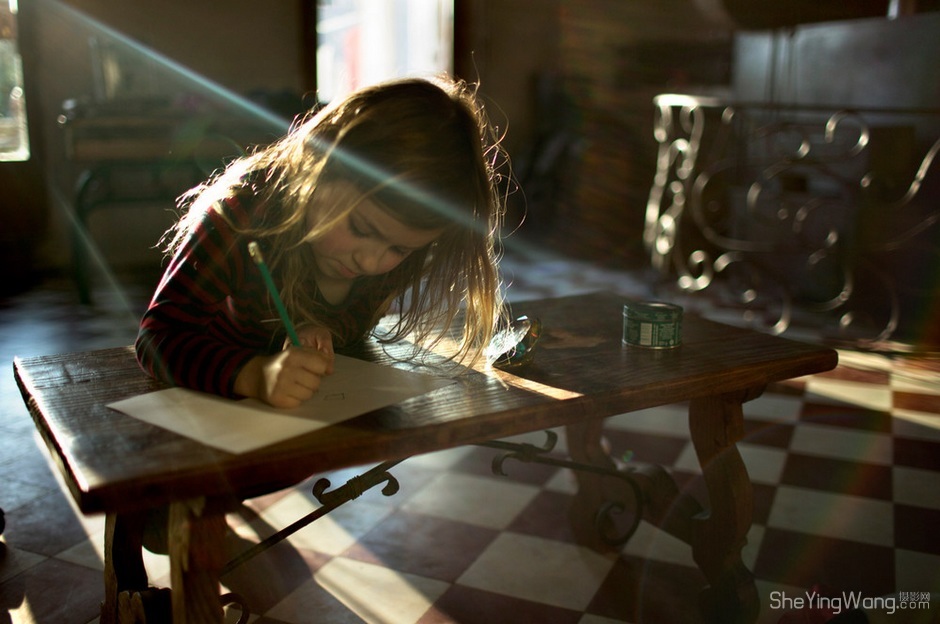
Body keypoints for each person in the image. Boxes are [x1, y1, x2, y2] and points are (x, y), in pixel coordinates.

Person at [135, 75, 508, 409]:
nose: (371, 261)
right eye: (362, 229)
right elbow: (158, 338)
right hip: (204, 417)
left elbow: (355, 317)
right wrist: (254, 375)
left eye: (398, 249)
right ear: (319, 167)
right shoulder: (239, 219)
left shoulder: (402, 240)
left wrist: (316, 330)